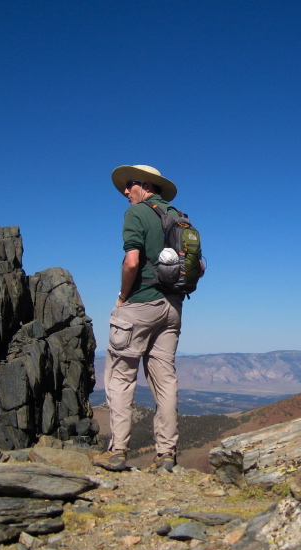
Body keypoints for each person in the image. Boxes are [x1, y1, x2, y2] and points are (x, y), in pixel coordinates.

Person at [99, 164, 183, 473]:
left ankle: (118, 451)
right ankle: (166, 455)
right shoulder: (178, 216)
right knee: (165, 381)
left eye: (129, 185)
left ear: (145, 185)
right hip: (172, 307)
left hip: (140, 303)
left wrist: (123, 296)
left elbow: (132, 261)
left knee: (120, 377)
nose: (124, 191)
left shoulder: (137, 213)